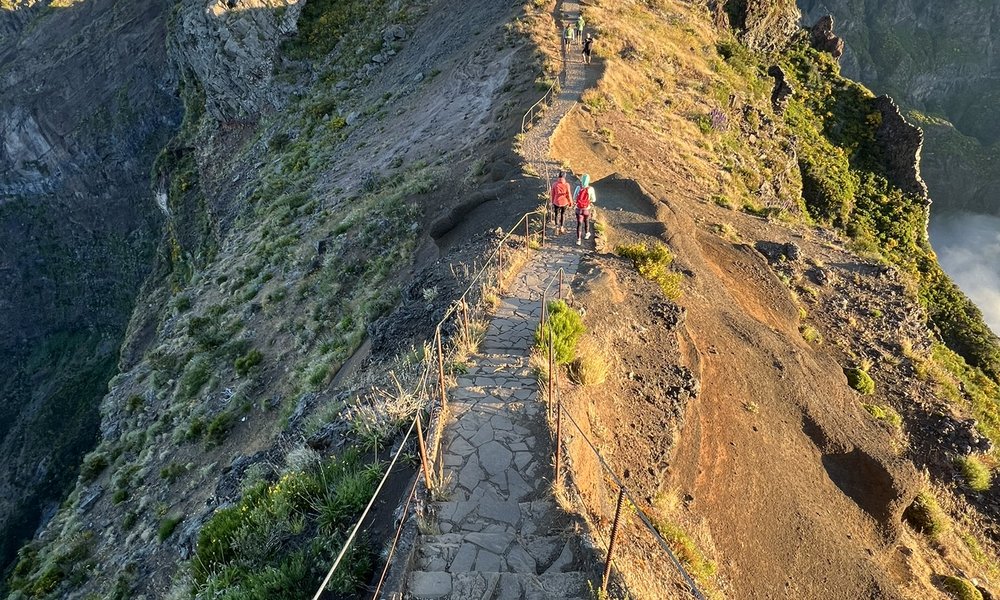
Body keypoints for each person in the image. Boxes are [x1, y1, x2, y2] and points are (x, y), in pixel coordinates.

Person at [573, 174, 596, 245]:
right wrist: (588, 201)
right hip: (586, 209)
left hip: (578, 209)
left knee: (579, 224)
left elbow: (574, 198)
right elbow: (594, 199)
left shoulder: (578, 188)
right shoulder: (591, 189)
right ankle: (586, 234)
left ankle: (578, 240)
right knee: (586, 221)